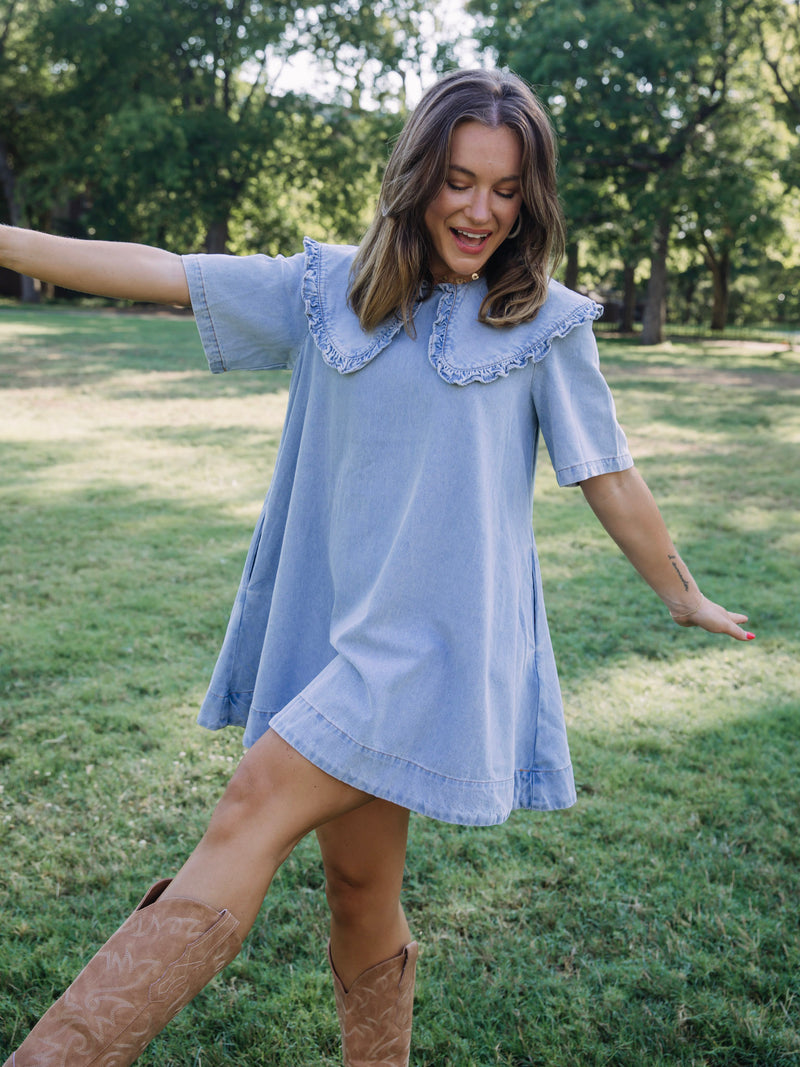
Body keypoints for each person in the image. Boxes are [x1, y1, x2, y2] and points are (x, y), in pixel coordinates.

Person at [0, 68, 753, 1067]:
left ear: (530, 197)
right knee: (360, 890)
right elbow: (160, 268)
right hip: (331, 637)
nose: (480, 209)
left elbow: (605, 471)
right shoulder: (329, 290)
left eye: (505, 187)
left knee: (247, 806)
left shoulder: (544, 322)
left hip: (431, 649)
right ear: (416, 178)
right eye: (457, 180)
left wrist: (679, 589)